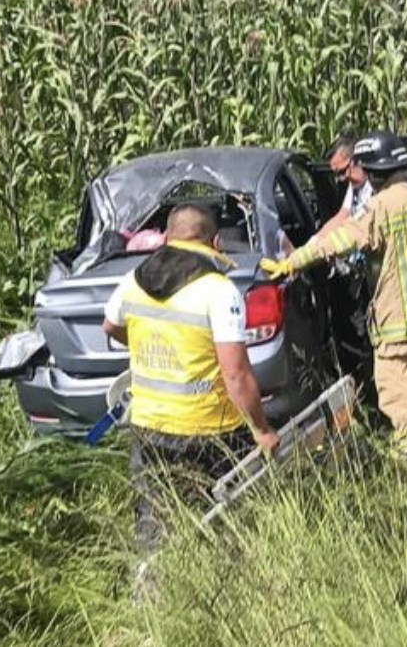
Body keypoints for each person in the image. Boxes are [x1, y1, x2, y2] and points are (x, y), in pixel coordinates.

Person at [261, 131, 407, 457]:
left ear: (374, 172)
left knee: (398, 381)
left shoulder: (381, 206)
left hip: (402, 314)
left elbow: (341, 239)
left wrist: (294, 261)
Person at [102, 203, 280, 552]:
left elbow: (110, 326)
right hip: (209, 433)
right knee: (227, 520)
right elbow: (236, 374)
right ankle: (226, 579)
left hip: (149, 428)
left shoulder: (133, 280)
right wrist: (261, 430)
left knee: (157, 519)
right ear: (215, 242)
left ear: (166, 237)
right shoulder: (219, 290)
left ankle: (152, 585)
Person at [318, 130, 373, 237]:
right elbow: (341, 217)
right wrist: (314, 241)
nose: (341, 179)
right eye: (336, 174)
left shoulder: (375, 185)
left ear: (356, 161)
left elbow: (359, 223)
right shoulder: (354, 185)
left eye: (342, 172)